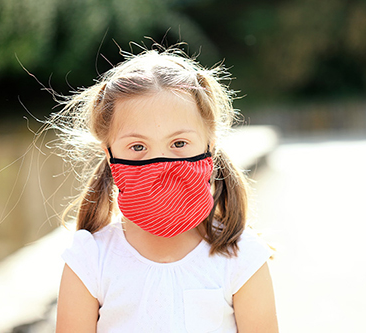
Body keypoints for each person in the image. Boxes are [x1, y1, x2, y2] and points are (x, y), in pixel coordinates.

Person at [54, 45, 278, 332]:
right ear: (110, 155)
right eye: (138, 147)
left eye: (179, 144)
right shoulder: (89, 260)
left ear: (210, 146)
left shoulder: (241, 257)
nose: (161, 165)